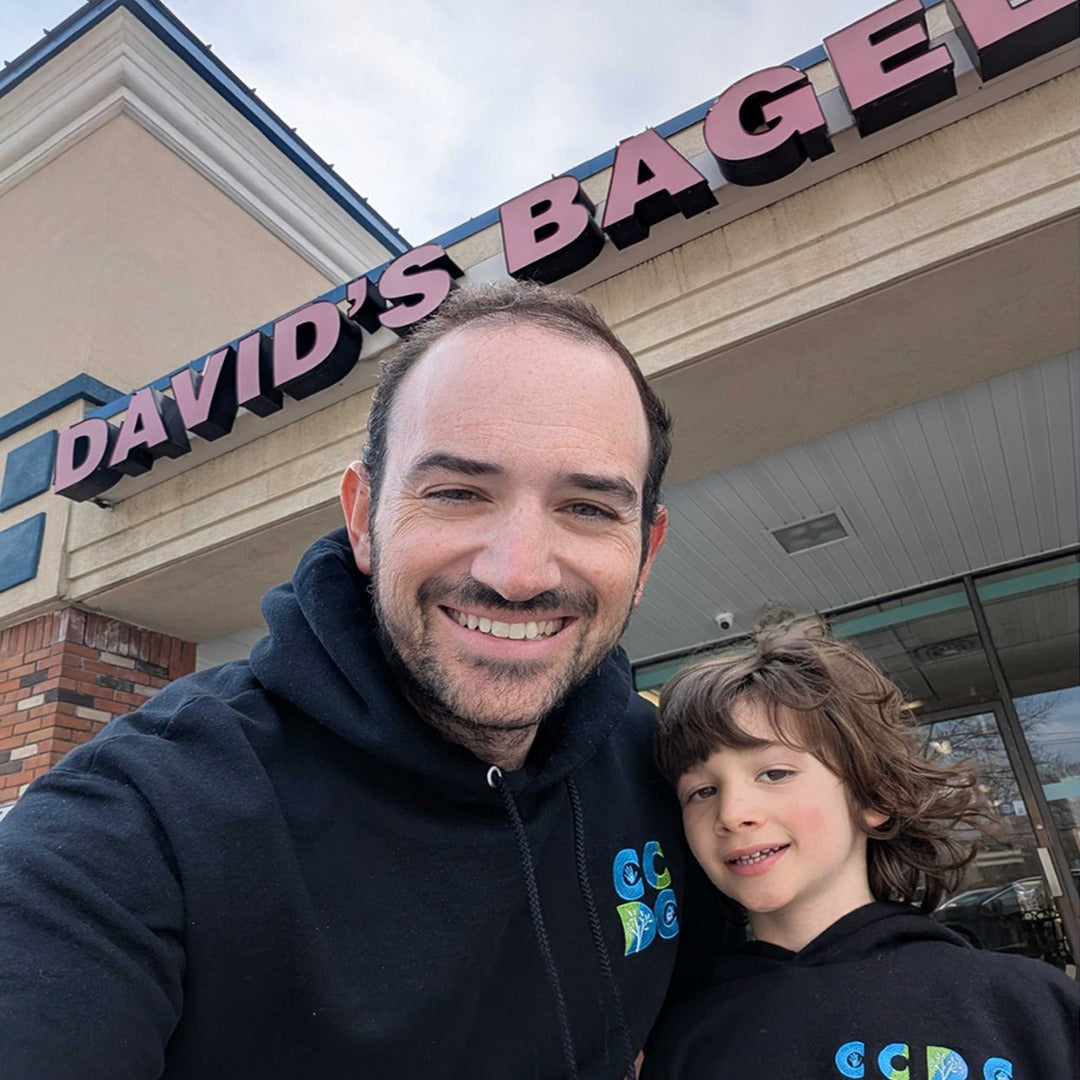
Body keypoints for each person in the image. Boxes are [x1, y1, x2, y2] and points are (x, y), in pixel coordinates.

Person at [0, 282, 726, 1079]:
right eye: (457, 493)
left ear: (646, 552)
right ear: (362, 516)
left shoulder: (665, 767)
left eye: (588, 507)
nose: (519, 573)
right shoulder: (143, 816)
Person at [643, 615, 1080, 1080]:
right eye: (702, 792)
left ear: (871, 797)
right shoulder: (682, 1040)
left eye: (774, 773)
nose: (731, 813)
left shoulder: (1034, 1009)